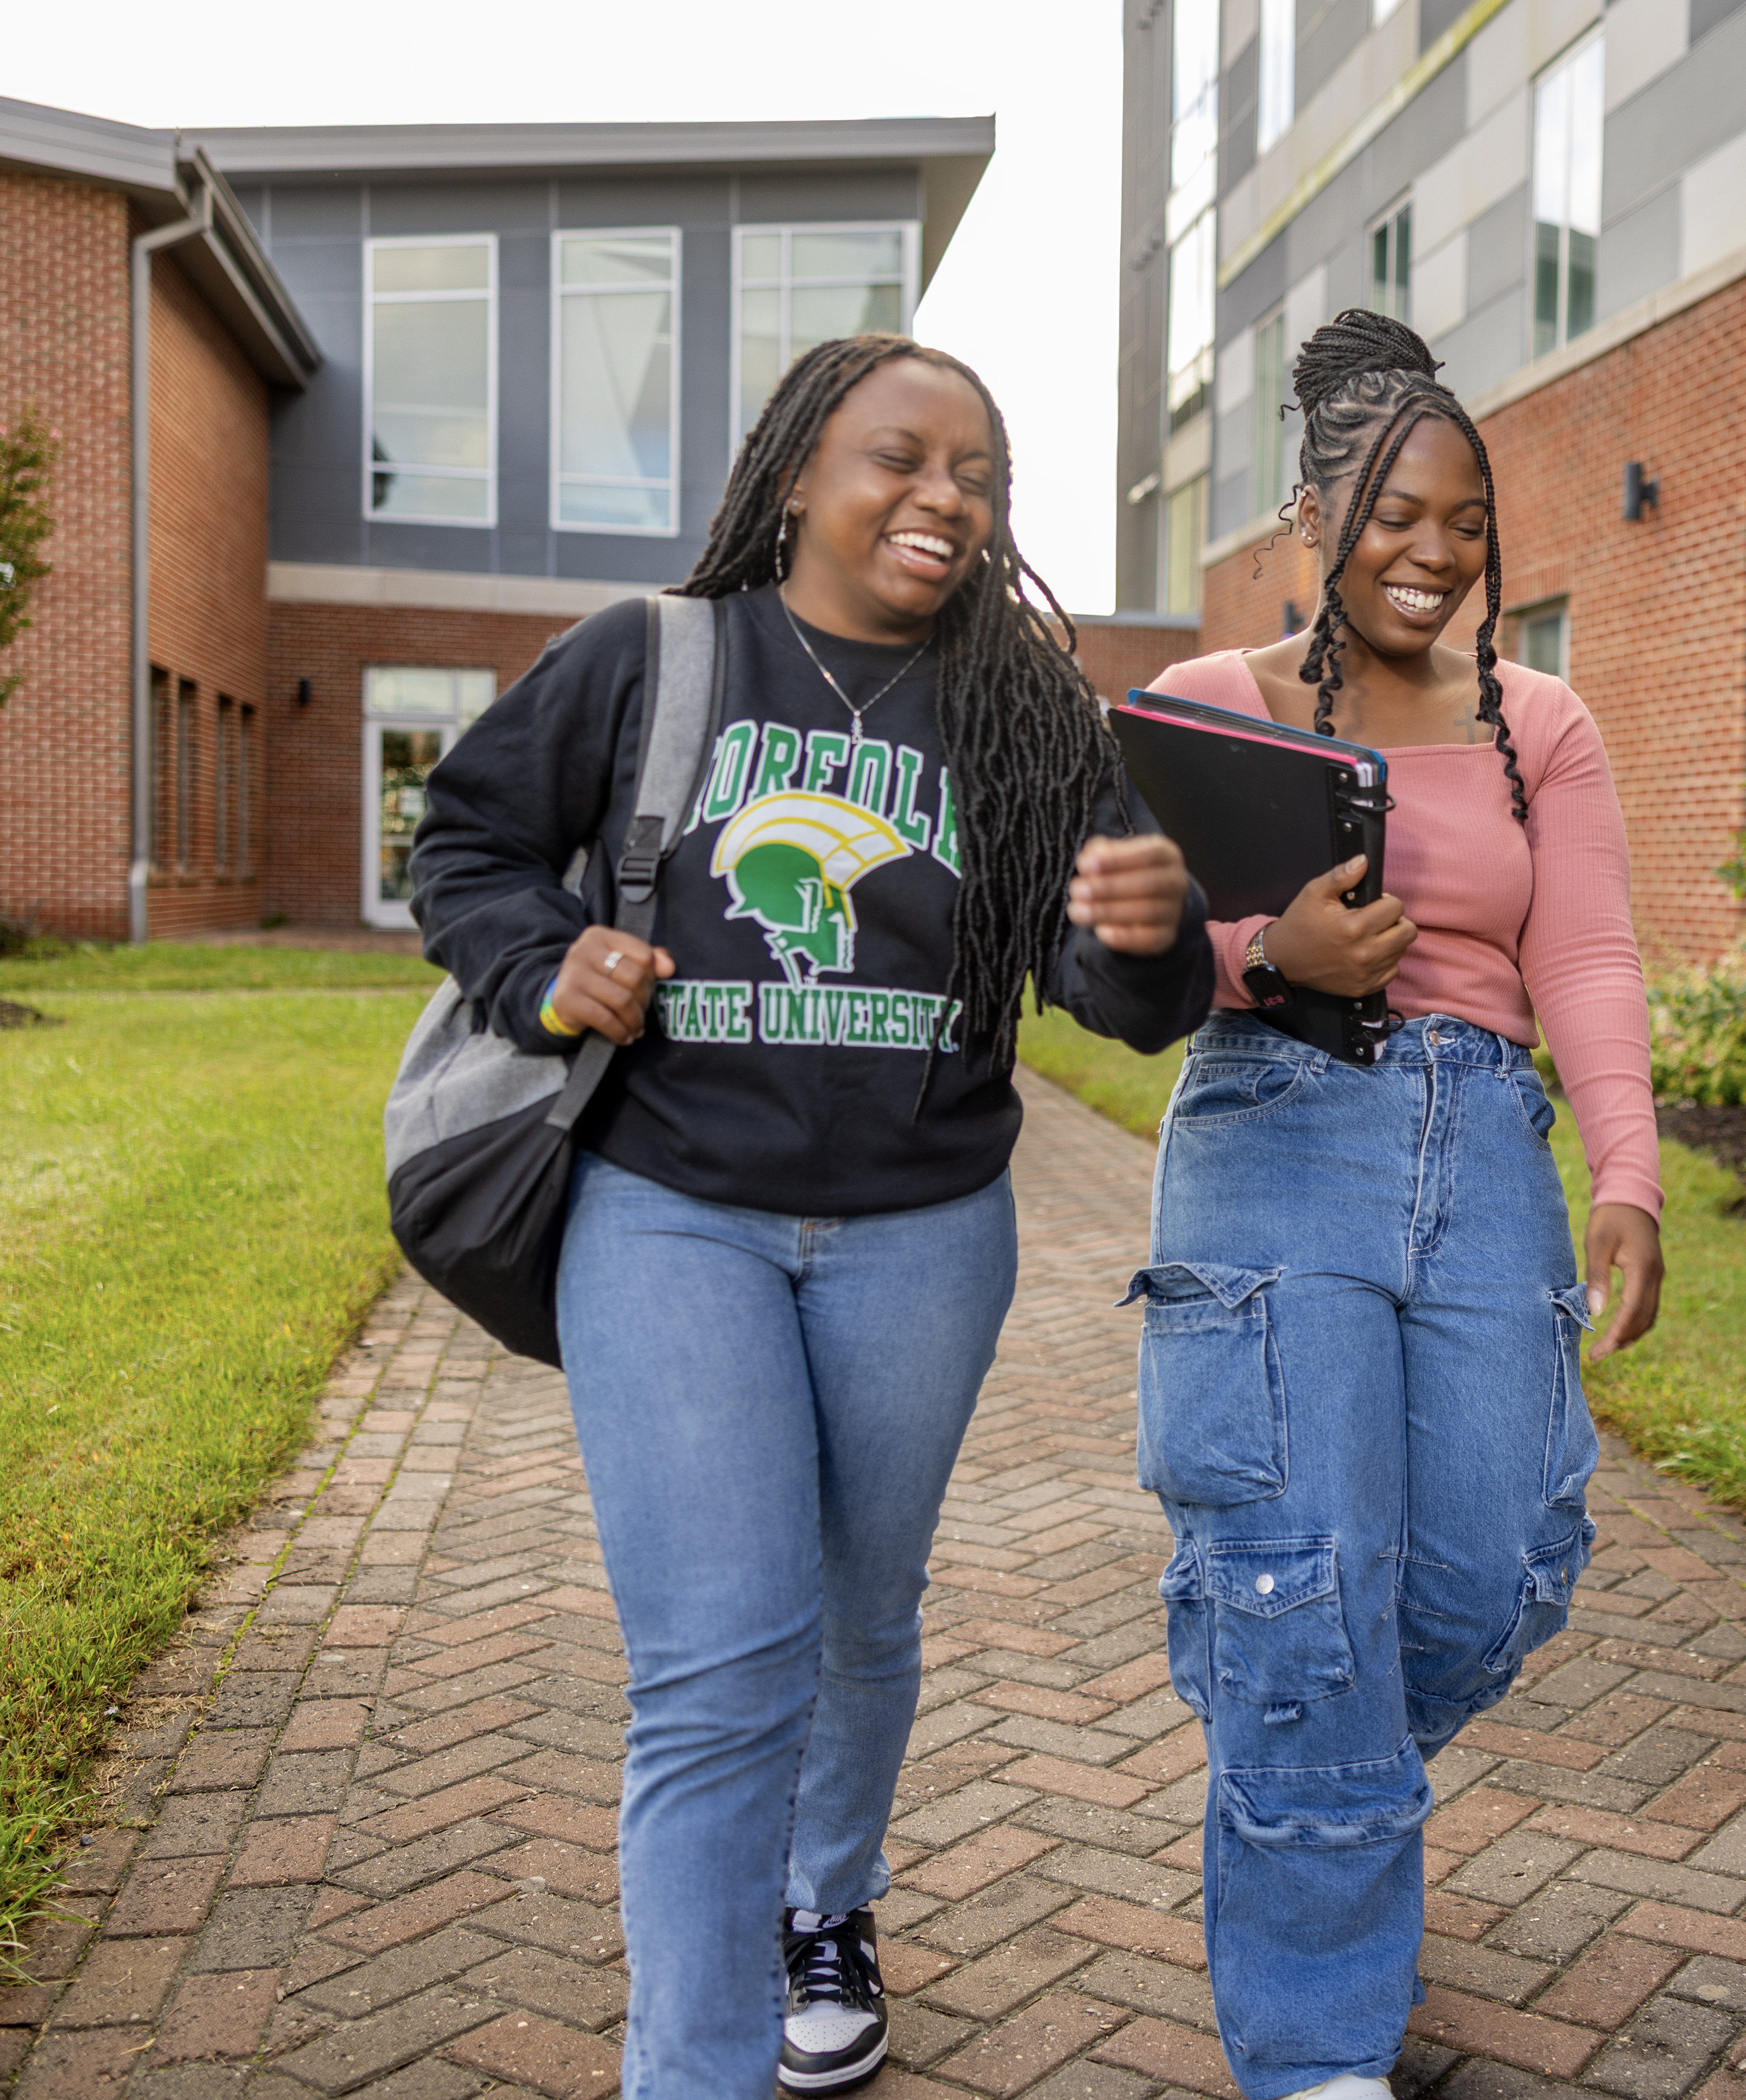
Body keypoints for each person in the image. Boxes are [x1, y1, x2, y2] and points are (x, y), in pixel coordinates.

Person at [409, 336, 1213, 2100]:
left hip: (924, 1234)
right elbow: (459, 846)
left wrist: (1156, 936)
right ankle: (689, 2072)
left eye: (979, 474)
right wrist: (546, 967)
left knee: (864, 1610)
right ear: (795, 474)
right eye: (900, 457)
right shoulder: (655, 657)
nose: (945, 497)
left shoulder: (1024, 712)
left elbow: (1110, 992)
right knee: (720, 1667)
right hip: (671, 1211)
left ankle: (825, 1907)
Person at [1131, 310, 1665, 2100]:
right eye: (1392, 516)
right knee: (1307, 1580)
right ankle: (1317, 2049)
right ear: (1312, 517)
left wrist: (1629, 1172)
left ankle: (1309, 1753)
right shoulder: (1213, 709)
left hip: (1484, 1144)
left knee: (1501, 1554)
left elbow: (1583, 950)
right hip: (1276, 1126)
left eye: (1465, 524)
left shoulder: (1547, 721)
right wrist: (1262, 952)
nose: (1432, 554)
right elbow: (1117, 954)